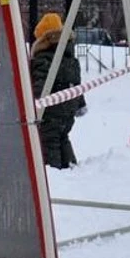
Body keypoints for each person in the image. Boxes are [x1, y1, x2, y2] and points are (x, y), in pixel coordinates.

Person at [29, 13, 83, 169]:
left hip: (51, 107)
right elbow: (76, 84)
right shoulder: (70, 58)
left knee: (49, 139)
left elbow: (40, 82)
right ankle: (71, 165)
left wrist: (35, 101)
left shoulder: (43, 59)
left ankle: (53, 169)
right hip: (68, 106)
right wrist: (79, 104)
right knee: (63, 136)